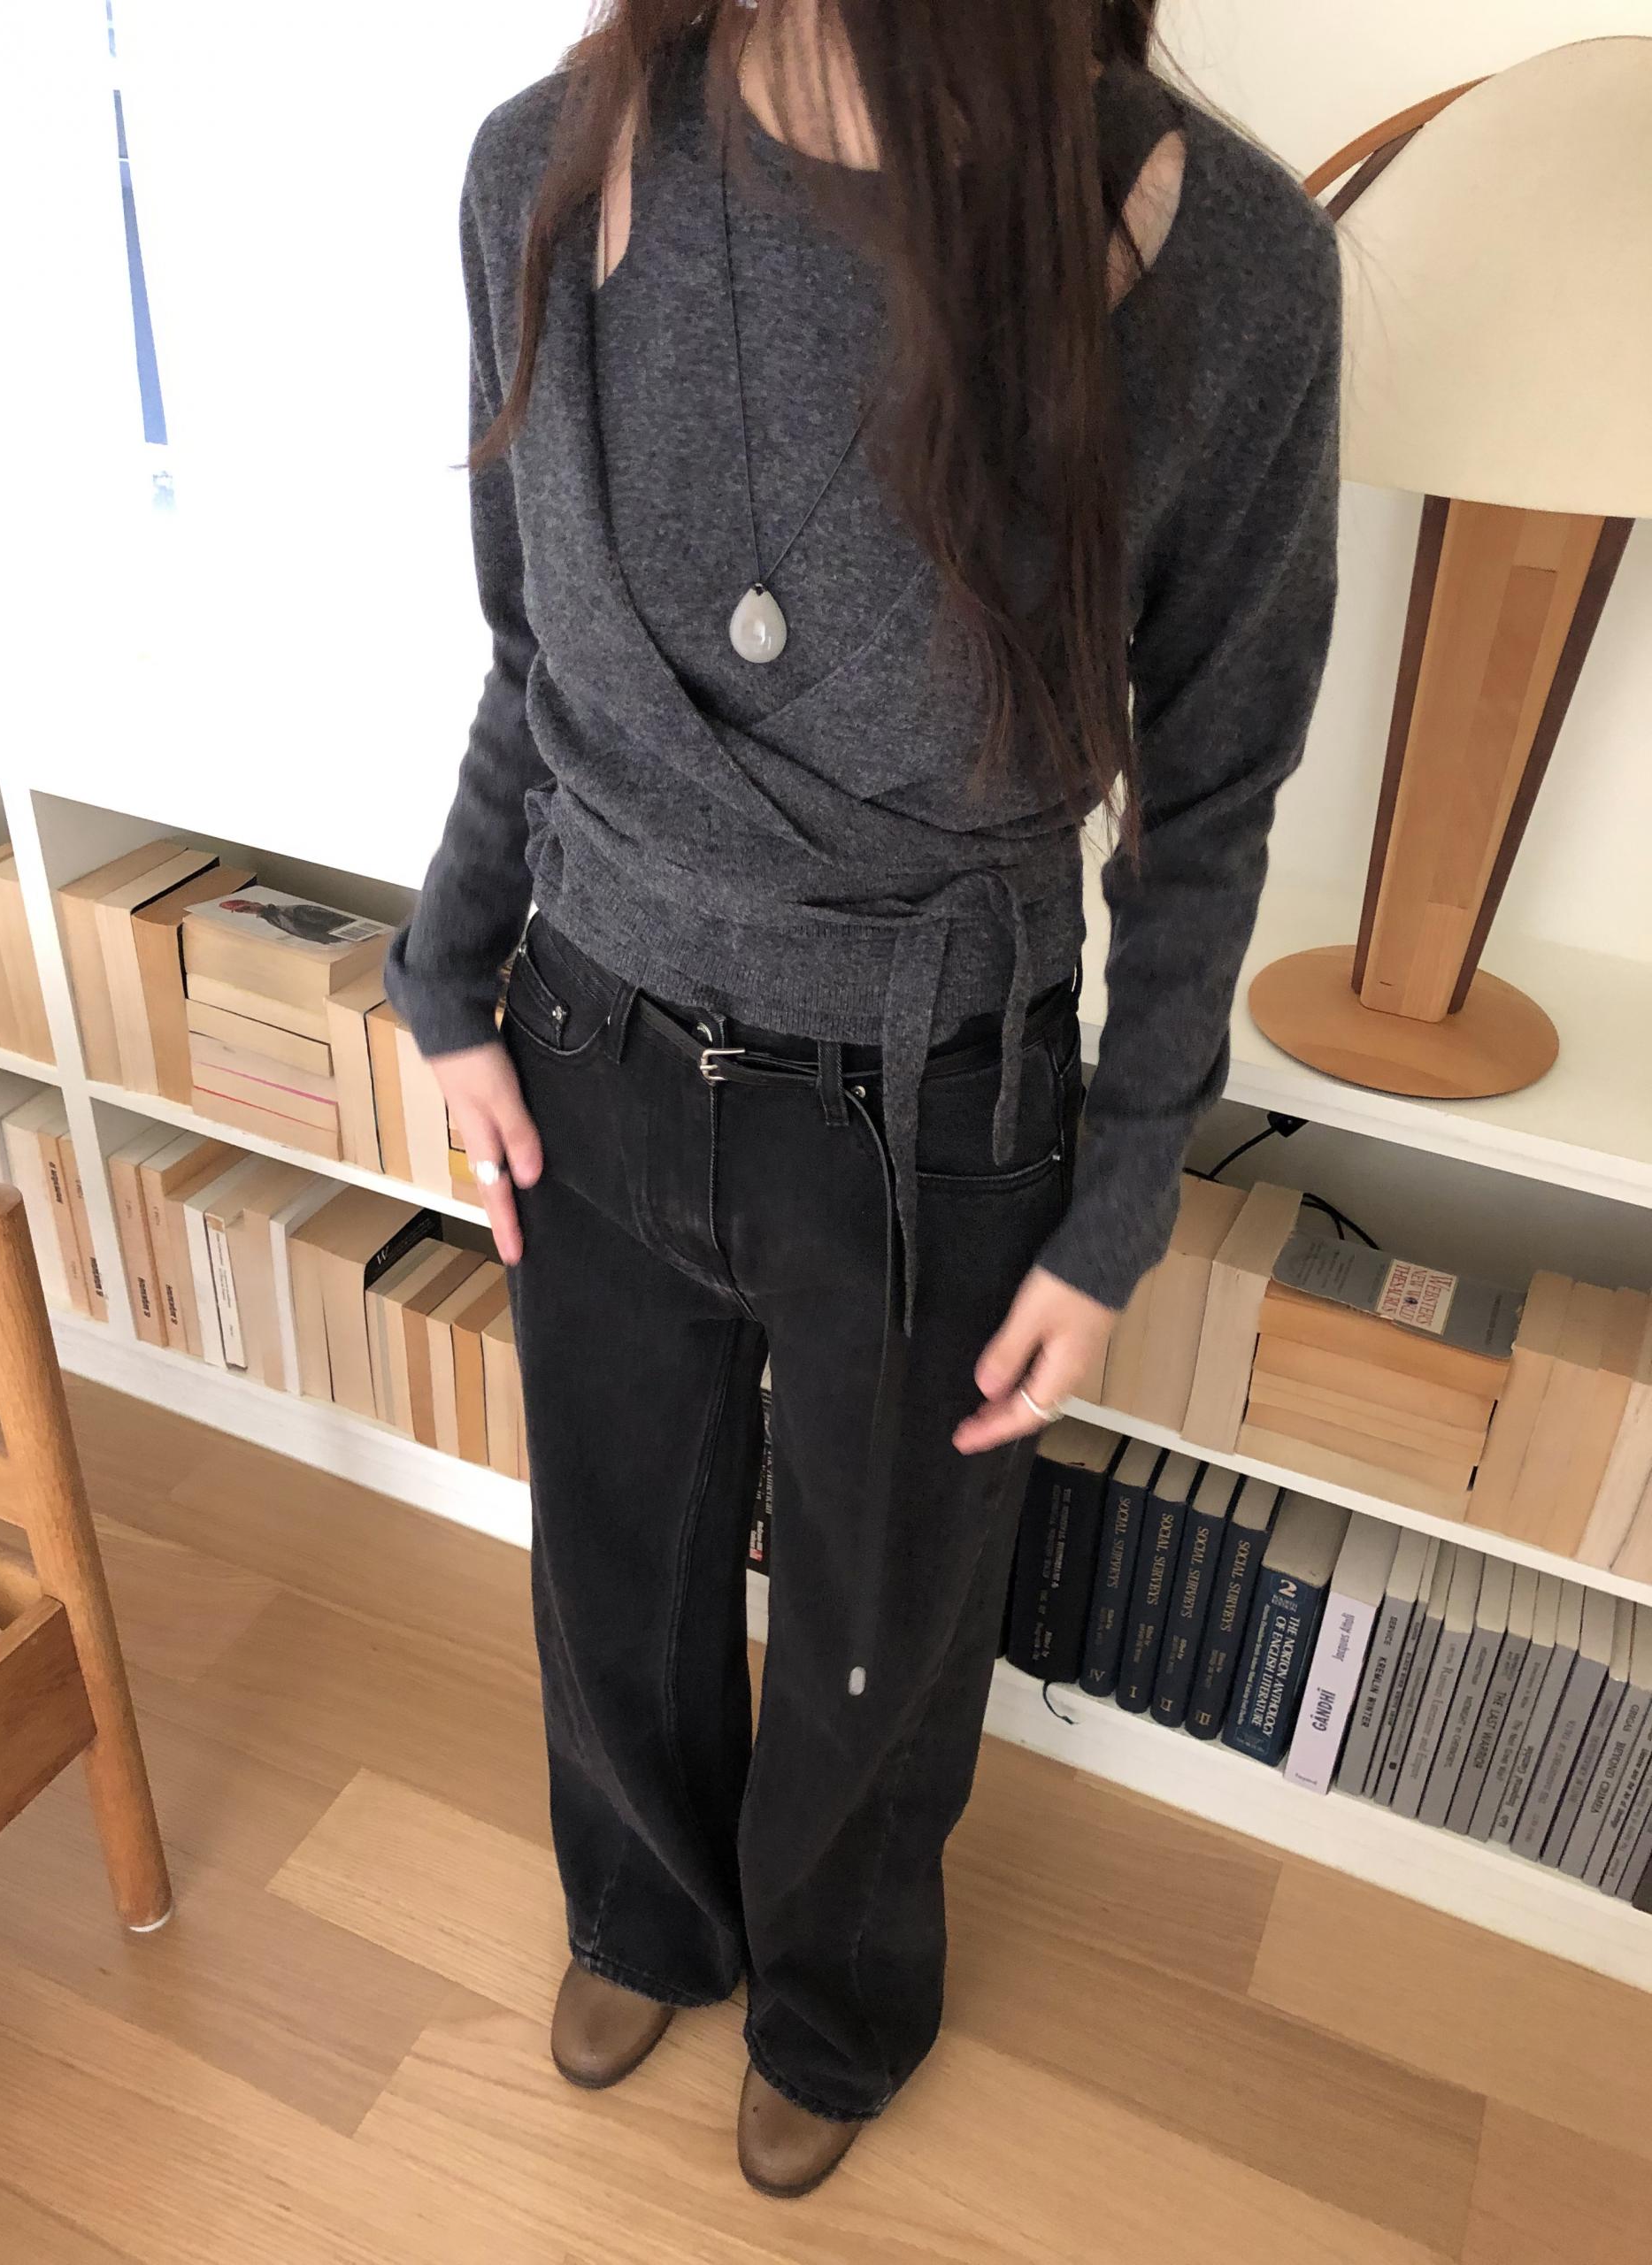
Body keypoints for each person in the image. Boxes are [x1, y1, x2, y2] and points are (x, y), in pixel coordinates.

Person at [386, 0, 1341, 2200]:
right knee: (613, 1558)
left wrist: (1118, 1203)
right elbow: (534, 654)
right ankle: (646, 1907)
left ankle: (833, 2000)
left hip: (938, 1105)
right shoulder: (544, 167)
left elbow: (1206, 800)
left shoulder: (1222, 268)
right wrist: (445, 973)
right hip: (592, 1037)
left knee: (882, 1628)